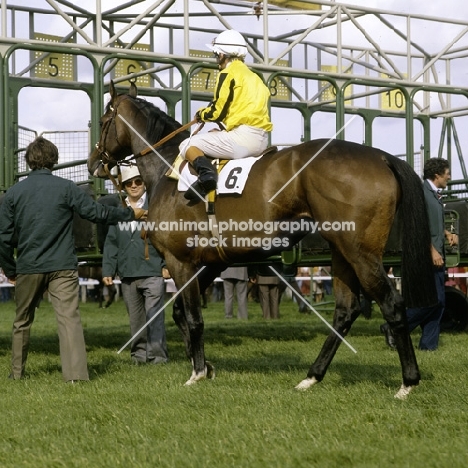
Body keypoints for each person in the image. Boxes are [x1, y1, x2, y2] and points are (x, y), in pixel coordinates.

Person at [0, 136, 142, 382]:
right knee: (69, 320)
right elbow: (96, 213)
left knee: (22, 321)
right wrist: (129, 214)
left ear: (28, 161)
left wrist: (10, 268)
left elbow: (3, 237)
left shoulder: (13, 193)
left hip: (29, 266)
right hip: (63, 265)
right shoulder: (67, 188)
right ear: (54, 160)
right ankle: (76, 376)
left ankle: (16, 373)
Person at [179, 29, 273, 200]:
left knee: (186, 144)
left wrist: (201, 114)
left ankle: (207, 176)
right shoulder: (256, 78)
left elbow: (217, 112)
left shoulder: (227, 74)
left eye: (216, 55)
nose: (217, 61)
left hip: (242, 140)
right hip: (262, 140)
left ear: (222, 55)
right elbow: (240, 111)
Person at [381, 158, 458, 351]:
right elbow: (417, 227)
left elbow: (432, 222)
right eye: (447, 173)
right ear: (437, 175)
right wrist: (432, 250)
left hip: (436, 253)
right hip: (426, 255)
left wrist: (447, 233)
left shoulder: (433, 194)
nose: (449, 176)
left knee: (439, 305)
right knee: (434, 300)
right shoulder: (422, 194)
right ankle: (395, 327)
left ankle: (428, 347)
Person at [103, 165, 170, 365]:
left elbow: (167, 238)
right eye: (129, 183)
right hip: (127, 272)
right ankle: (138, 357)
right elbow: (111, 241)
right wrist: (108, 268)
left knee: (154, 318)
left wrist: (167, 265)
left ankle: (157, 358)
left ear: (144, 183)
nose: (134, 186)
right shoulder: (119, 209)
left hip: (153, 271)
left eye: (138, 181)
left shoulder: (157, 205)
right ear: (123, 186)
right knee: (136, 319)